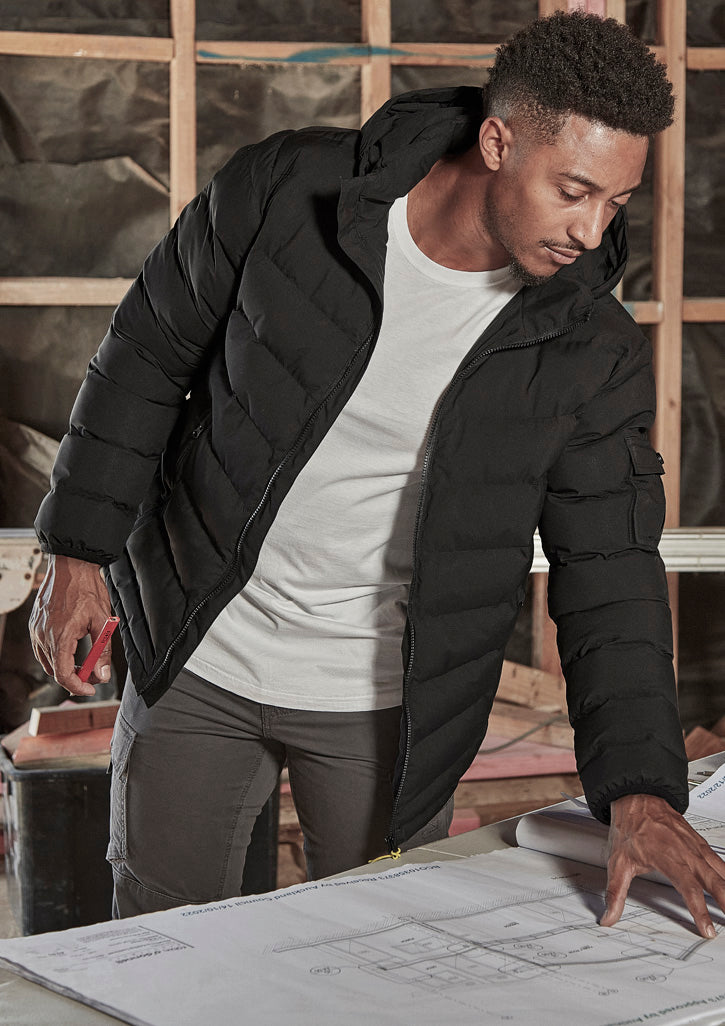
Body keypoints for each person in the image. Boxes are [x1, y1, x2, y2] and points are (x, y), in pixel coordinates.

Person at [30, 12, 725, 934]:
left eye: (615, 202)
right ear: (497, 142)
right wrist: (76, 549)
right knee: (154, 947)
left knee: (373, 961)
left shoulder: (588, 348)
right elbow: (147, 355)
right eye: (573, 191)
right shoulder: (286, 189)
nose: (591, 230)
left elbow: (609, 568)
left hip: (389, 709)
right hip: (201, 655)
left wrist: (638, 788)